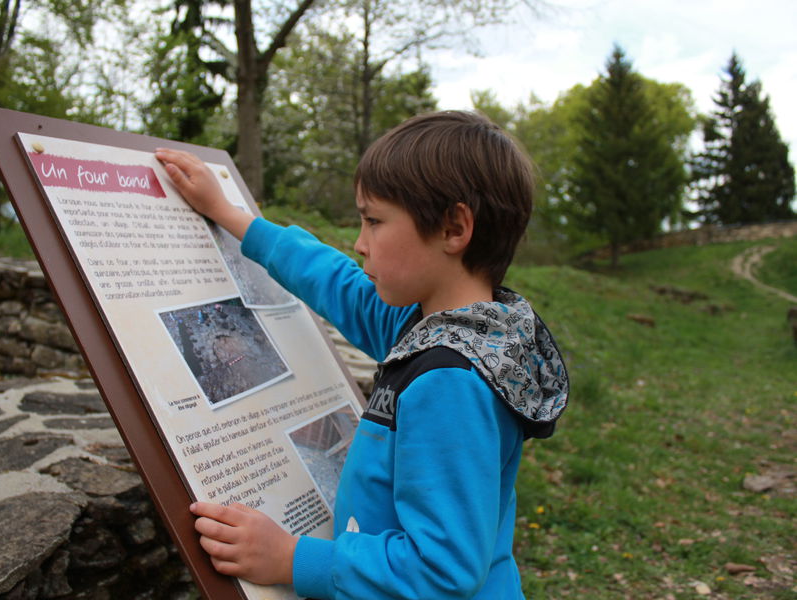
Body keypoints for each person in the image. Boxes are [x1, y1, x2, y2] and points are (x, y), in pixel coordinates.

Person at [155, 110, 569, 599]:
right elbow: (337, 283)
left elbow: (442, 573)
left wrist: (290, 558)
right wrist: (231, 215)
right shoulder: (437, 329)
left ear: (453, 228)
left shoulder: (451, 380)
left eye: (374, 221)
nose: (359, 243)